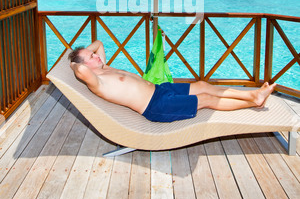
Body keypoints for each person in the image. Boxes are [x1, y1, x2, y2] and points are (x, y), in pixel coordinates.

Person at [68, 40, 276, 123]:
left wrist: (86, 53)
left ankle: (253, 94)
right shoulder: (96, 81)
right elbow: (80, 67)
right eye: (91, 57)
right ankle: (253, 101)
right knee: (204, 98)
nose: (96, 56)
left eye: (93, 54)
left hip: (160, 90)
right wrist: (73, 62)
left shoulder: (104, 67)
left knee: (202, 85)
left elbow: (99, 43)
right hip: (156, 106)